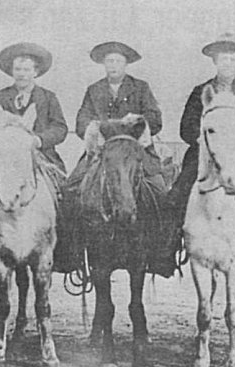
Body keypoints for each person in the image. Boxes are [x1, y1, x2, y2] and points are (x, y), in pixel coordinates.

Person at [164, 33, 235, 260]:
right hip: (206, 153)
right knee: (178, 192)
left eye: (232, 59)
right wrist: (202, 139)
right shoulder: (201, 91)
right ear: (215, 62)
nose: (227, 63)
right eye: (223, 59)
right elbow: (186, 125)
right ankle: (169, 246)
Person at [0, 42, 68, 287]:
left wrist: (39, 140)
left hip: (41, 157)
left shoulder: (48, 98)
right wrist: (5, 138)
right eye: (17, 69)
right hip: (7, 158)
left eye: (26, 69)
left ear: (36, 72)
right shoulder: (1, 97)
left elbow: (60, 127)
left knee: (66, 196)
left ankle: (63, 255)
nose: (21, 73)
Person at [65, 41, 173, 276]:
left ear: (126, 64)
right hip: (103, 151)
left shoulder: (141, 88)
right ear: (104, 65)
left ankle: (161, 255)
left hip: (135, 152)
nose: (113, 65)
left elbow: (155, 120)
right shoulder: (94, 90)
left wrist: (138, 120)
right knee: (71, 188)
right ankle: (71, 253)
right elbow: (81, 121)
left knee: (160, 193)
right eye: (109, 61)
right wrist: (96, 127)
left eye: (118, 61)